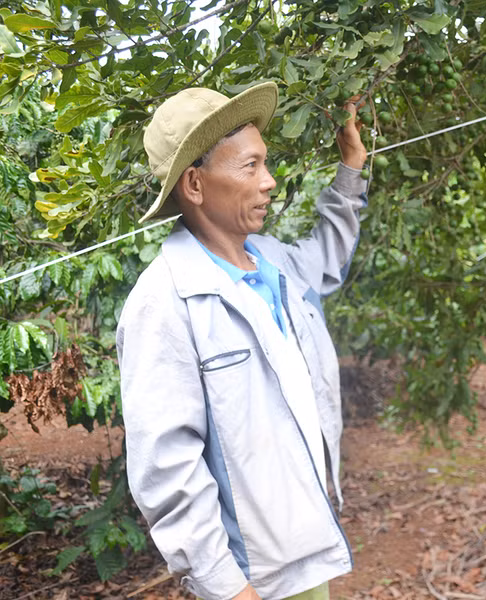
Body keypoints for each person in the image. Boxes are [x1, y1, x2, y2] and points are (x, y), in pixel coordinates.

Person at [116, 82, 368, 599]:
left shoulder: (271, 259)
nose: (270, 182)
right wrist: (226, 586)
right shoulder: (163, 303)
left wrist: (351, 168)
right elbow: (166, 468)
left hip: (302, 552)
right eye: (249, 166)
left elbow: (326, 256)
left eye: (265, 164)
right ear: (194, 184)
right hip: (252, 578)